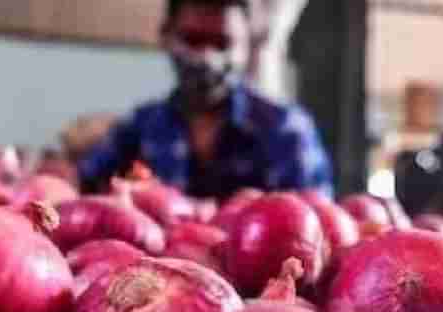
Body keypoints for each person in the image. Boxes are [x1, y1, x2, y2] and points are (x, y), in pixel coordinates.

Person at [79, 0, 334, 199]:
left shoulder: (286, 131)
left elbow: (316, 226)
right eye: (193, 40)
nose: (207, 57)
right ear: (166, 36)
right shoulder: (140, 126)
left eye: (222, 44)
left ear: (246, 47)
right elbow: (83, 188)